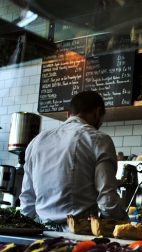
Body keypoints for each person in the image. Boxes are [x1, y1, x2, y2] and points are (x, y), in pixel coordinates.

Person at [20, 90, 127, 230]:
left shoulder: (37, 141)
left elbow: (27, 198)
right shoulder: (99, 139)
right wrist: (124, 223)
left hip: (41, 233)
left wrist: (26, 230)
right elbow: (107, 201)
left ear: (68, 114)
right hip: (80, 234)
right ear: (97, 113)